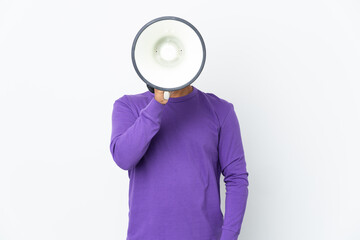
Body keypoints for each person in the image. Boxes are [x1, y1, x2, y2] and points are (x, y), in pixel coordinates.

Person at [109, 84, 249, 240]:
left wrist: (229, 236)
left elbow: (236, 178)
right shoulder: (128, 105)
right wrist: (157, 104)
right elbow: (123, 158)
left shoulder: (220, 110)